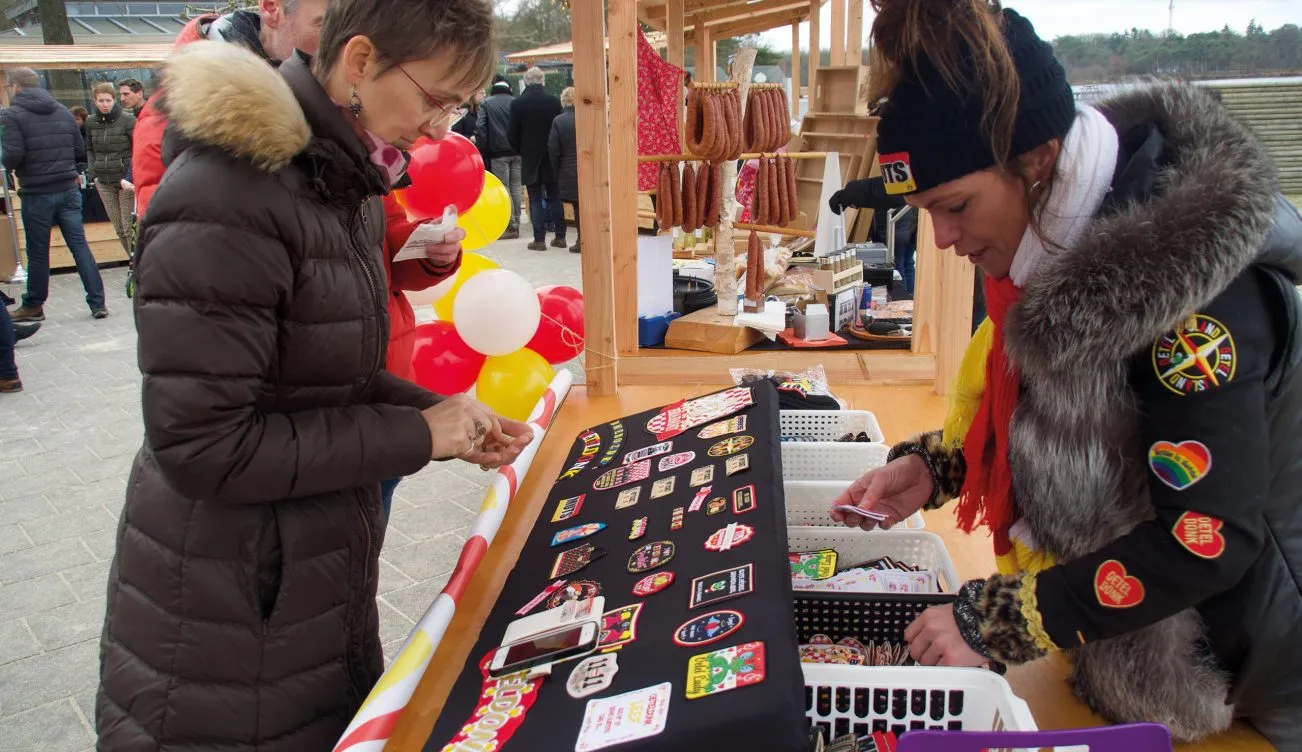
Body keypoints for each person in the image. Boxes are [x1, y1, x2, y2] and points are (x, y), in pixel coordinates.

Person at [830, 1, 1302, 746]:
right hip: (1125, 638)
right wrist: (937, 468)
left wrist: (1000, 622)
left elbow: (1206, 536)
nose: (945, 239)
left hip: (1257, 673)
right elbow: (1084, 434)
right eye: (928, 214)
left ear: (1039, 157)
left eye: (955, 206)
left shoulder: (1194, 300)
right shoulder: (1048, 252)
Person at [94, 0, 529, 747]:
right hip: (225, 610)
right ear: (360, 62)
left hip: (302, 582)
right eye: (436, 99)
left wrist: (446, 410)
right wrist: (417, 433)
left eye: (461, 107)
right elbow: (203, 447)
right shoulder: (228, 192)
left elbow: (336, 372)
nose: (441, 129)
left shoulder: (337, 176)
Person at [131, 0, 328, 219]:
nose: (339, 44)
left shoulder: (324, 90)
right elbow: (169, 235)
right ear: (272, 7)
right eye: (324, 25)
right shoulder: (177, 110)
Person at [2, 68, 108, 322]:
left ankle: (34, 305)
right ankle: (98, 303)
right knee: (80, 246)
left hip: (37, 192)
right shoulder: (61, 110)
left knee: (38, 251)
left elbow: (12, 156)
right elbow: (79, 149)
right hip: (68, 188)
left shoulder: (12, 115)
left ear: (16, 86)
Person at [828, 176, 918, 293]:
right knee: (907, 263)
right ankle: (910, 299)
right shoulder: (908, 182)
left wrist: (850, 194)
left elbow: (878, 191)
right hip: (909, 224)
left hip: (895, 227)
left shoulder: (895, 182)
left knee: (898, 266)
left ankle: (902, 302)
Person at [509, 66, 563, 251]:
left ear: (525, 81)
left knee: (534, 198)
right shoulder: (554, 102)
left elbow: (511, 134)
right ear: (542, 81)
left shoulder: (517, 104)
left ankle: (539, 239)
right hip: (551, 155)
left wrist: (520, 149)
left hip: (529, 155)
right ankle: (560, 236)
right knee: (555, 195)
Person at [85, 82, 136, 254]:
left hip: (124, 180)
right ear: (95, 101)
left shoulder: (127, 119)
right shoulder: (91, 122)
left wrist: (130, 175)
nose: (105, 104)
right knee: (119, 229)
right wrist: (93, 174)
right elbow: (90, 148)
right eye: (101, 101)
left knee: (129, 228)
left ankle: (137, 266)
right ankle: (132, 264)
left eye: (108, 100)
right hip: (103, 179)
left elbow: (137, 147)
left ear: (114, 100)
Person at [477, 76, 521, 239]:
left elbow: (481, 128)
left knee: (504, 187)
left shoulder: (487, 103)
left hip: (498, 153)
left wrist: (483, 149)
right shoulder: (515, 102)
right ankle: (516, 220)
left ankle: (510, 225)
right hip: (517, 151)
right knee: (516, 187)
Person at [548, 86, 579, 253]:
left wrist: (556, 171)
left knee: (577, 206)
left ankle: (581, 241)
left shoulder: (559, 121)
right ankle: (587, 239)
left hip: (568, 170)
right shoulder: (587, 118)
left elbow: (553, 149)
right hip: (588, 170)